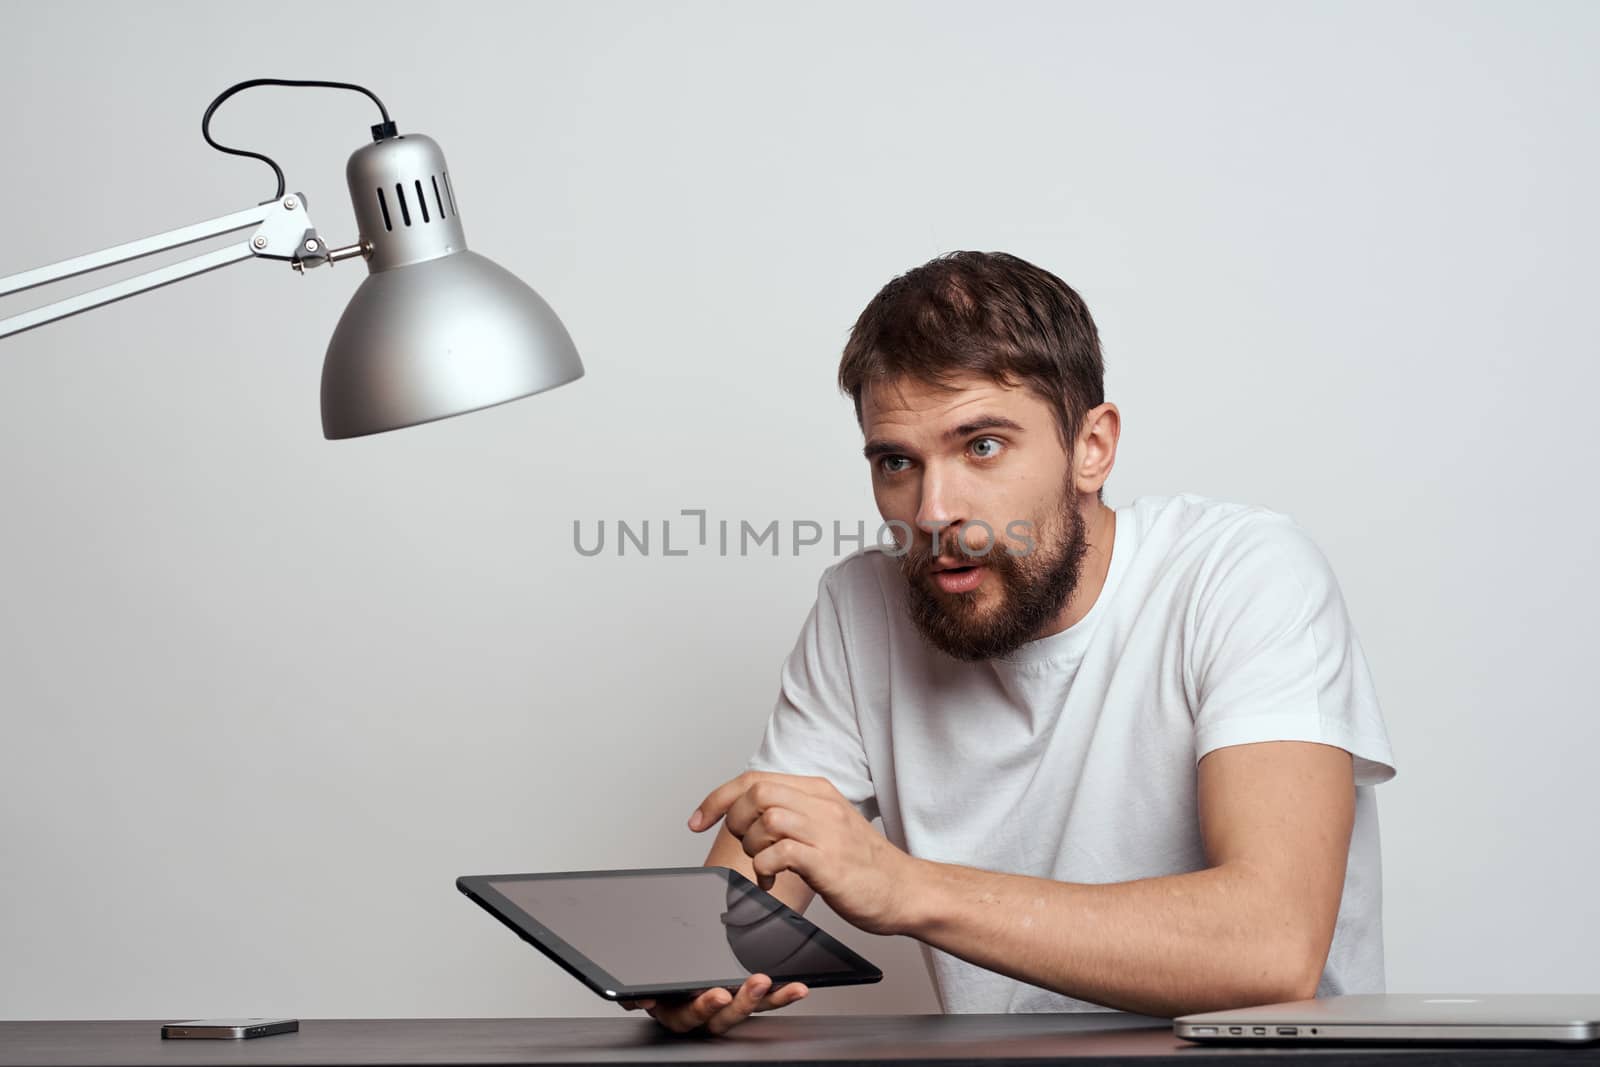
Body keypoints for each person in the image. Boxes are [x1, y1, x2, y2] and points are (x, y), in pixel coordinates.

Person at [621, 251, 1396, 1035]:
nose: (933, 510)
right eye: (897, 462)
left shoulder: (1241, 573)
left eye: (982, 446)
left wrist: (904, 886)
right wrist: (695, 978)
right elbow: (729, 928)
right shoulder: (862, 608)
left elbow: (1269, 947)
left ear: (1092, 447)